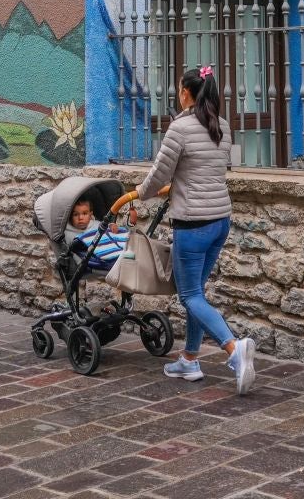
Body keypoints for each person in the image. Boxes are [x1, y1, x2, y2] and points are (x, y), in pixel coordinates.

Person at [112, 65, 256, 393]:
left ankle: (234, 351)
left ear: (187, 94)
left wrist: (136, 193)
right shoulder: (221, 127)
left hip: (192, 225)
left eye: (180, 89)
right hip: (220, 221)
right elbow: (203, 172)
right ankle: (189, 360)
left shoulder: (180, 128)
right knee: (196, 294)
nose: (178, 94)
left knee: (190, 295)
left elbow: (160, 174)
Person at [67, 197, 128, 267]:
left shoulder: (96, 224)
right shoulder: (68, 233)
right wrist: (80, 264)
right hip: (89, 261)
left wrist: (111, 226)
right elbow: (70, 252)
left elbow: (106, 233)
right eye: (76, 214)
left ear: (90, 215)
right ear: (70, 216)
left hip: (106, 250)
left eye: (84, 213)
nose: (80, 218)